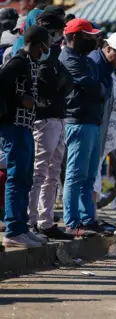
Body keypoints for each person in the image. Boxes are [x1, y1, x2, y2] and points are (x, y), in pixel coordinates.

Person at [0, 26, 52, 248]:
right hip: (13, 126)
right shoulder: (18, 61)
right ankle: (12, 230)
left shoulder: (30, 62)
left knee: (25, 178)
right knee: (17, 178)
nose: (46, 50)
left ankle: (21, 228)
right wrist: (20, 99)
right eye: (45, 46)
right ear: (38, 43)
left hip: (25, 127)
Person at [27, 11, 74, 240]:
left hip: (57, 117)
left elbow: (66, 81)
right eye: (59, 32)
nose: (60, 36)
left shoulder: (54, 55)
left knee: (52, 172)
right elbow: (48, 84)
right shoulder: (39, 56)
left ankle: (45, 221)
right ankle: (31, 221)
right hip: (45, 119)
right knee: (39, 171)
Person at [59, 18, 105, 237]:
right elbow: (91, 86)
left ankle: (87, 218)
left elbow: (98, 86)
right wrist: (98, 88)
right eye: (89, 36)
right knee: (75, 175)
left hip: (92, 122)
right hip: (77, 121)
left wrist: (98, 88)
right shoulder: (67, 58)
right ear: (76, 37)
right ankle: (72, 222)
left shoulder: (86, 60)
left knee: (88, 176)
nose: (94, 40)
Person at [91, 33, 116, 205]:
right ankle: (89, 215)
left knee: (96, 171)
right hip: (99, 131)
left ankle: (92, 213)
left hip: (110, 137)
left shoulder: (114, 72)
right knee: (91, 173)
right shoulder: (97, 66)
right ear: (107, 49)